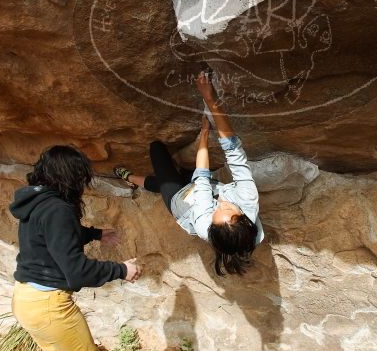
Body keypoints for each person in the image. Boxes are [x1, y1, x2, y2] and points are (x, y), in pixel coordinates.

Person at [9, 145, 142, 351]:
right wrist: (122, 269)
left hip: (25, 298)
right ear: (71, 177)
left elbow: (52, 236)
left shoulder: (38, 202)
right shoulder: (58, 209)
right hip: (49, 305)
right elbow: (77, 271)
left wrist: (95, 234)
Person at [113, 71, 264, 275]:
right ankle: (136, 180)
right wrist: (211, 100)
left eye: (215, 212)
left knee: (157, 151)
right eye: (227, 207)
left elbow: (201, 176)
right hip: (206, 188)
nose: (219, 203)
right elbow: (234, 151)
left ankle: (130, 177)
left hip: (182, 202)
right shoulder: (248, 201)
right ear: (245, 217)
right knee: (171, 178)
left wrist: (203, 134)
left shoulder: (204, 225)